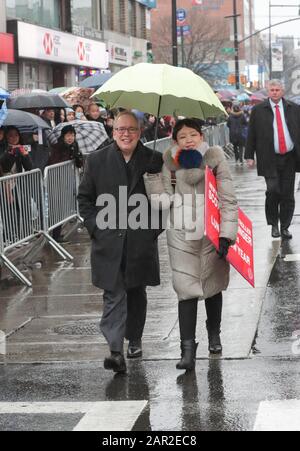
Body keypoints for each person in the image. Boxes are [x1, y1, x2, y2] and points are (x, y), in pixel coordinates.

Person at [143, 118, 238, 371]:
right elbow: (161, 201)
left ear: (202, 136)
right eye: (183, 136)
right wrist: (152, 177)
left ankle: (214, 334)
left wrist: (227, 235)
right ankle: (187, 350)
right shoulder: (168, 163)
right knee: (185, 289)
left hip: (211, 233)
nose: (188, 140)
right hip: (181, 234)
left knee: (212, 286)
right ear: (175, 140)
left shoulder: (215, 159)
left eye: (193, 135)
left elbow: (228, 200)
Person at [78, 111, 163, 374]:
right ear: (113, 132)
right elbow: (85, 200)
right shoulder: (96, 160)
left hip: (139, 241)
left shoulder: (153, 159)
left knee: (136, 292)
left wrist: (151, 231)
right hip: (108, 242)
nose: (125, 134)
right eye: (120, 129)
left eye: (131, 130)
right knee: (113, 295)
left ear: (140, 133)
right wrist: (96, 229)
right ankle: (115, 350)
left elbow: (163, 202)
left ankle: (134, 339)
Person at [245, 79, 300, 240]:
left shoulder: (294, 109)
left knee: (288, 194)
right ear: (267, 92)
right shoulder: (258, 110)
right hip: (269, 157)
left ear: (282, 91)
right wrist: (249, 155)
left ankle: (285, 227)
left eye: (277, 89)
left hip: (289, 157)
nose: (274, 92)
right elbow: (251, 134)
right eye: (272, 90)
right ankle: (273, 224)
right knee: (273, 190)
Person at [48, 124, 83, 242]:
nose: (70, 137)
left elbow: (79, 163)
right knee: (57, 207)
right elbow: (54, 162)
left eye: (72, 135)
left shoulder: (75, 145)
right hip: (56, 181)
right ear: (63, 136)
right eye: (68, 135)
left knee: (63, 207)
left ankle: (58, 233)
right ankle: (55, 235)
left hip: (67, 180)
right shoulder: (58, 147)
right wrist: (68, 154)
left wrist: (77, 156)